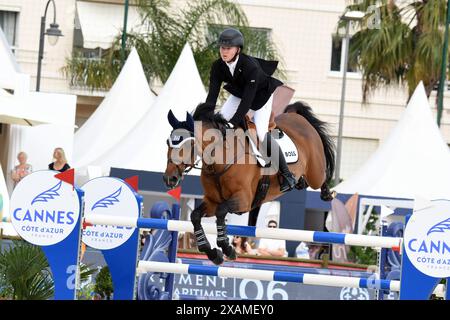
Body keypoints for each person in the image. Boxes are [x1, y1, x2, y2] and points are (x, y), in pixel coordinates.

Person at [203, 28, 297, 192]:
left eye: (228, 48)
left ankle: (287, 174)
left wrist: (233, 123)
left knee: (261, 133)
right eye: (222, 48)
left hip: (261, 96)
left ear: (237, 49)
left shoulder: (250, 67)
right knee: (219, 122)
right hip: (240, 93)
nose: (224, 52)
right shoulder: (218, 66)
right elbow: (212, 96)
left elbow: (247, 103)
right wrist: (206, 117)